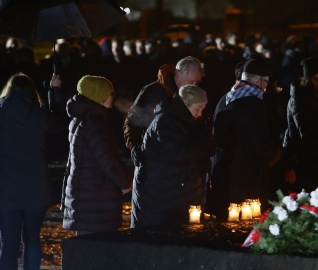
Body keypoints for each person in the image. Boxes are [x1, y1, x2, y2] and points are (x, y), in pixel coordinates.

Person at [0, 72, 66, 270]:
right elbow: (58, 124)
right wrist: (54, 91)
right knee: (32, 238)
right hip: (35, 185)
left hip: (4, 186)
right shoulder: (38, 114)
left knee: (8, 243)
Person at [207, 59, 282, 219]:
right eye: (266, 82)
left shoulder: (225, 98)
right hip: (245, 174)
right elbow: (259, 141)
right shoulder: (253, 103)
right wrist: (274, 154)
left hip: (222, 170)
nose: (266, 86)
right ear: (259, 80)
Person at [130, 85, 213, 228]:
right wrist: (202, 147)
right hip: (158, 197)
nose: (200, 113)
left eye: (203, 109)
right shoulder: (166, 122)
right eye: (198, 108)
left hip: (171, 194)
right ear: (185, 105)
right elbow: (175, 156)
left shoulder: (184, 121)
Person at [62, 75, 132, 236]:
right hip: (95, 198)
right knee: (96, 248)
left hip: (86, 194)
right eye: (110, 93)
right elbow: (108, 161)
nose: (113, 96)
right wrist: (125, 182)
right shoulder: (95, 124)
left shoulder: (82, 118)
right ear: (98, 96)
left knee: (88, 245)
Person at [123, 56, 204, 151]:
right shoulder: (152, 92)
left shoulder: (196, 94)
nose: (194, 86)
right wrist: (136, 150)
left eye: (197, 82)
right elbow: (133, 121)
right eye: (191, 81)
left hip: (184, 157)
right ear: (178, 76)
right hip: (154, 154)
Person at [282, 57, 318, 193]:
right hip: (302, 152)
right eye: (316, 79)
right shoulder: (300, 97)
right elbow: (302, 129)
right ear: (308, 80)